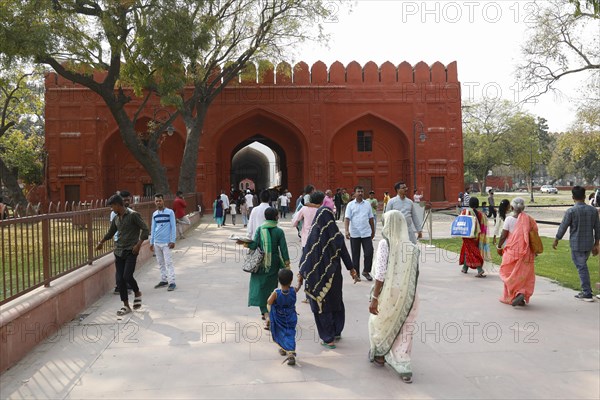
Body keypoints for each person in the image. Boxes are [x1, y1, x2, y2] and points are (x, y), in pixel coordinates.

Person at [368, 210, 419, 384]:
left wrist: (375, 297)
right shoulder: (412, 247)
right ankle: (403, 362)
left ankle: (381, 355)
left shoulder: (385, 244)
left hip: (390, 292)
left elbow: (380, 273)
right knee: (406, 327)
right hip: (409, 294)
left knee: (382, 322)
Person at [298, 206, 359, 349]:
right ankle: (337, 331)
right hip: (335, 276)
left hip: (317, 279)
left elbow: (306, 257)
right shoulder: (337, 236)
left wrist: (301, 276)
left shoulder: (313, 236)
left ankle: (328, 338)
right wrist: (352, 270)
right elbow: (345, 254)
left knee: (321, 304)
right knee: (336, 301)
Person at [96, 195, 149, 316]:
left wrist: (139, 244)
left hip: (131, 250)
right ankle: (126, 306)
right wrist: (101, 242)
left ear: (118, 205)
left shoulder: (133, 215)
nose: (111, 209)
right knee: (120, 281)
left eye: (112, 206)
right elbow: (111, 232)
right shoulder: (116, 218)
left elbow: (145, 229)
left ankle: (137, 292)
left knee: (127, 276)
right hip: (119, 251)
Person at [239, 207, 290, 329]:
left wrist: (243, 242)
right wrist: (287, 265)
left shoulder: (260, 229)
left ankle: (266, 315)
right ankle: (270, 315)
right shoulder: (279, 232)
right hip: (274, 263)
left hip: (261, 263)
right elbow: (283, 249)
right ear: (276, 217)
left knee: (261, 289)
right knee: (271, 289)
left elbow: (254, 245)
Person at [553, 186, 600, 302]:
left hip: (576, 243)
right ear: (584, 197)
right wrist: (596, 243)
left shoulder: (571, 211)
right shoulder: (593, 211)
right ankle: (586, 290)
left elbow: (563, 226)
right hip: (588, 243)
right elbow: (597, 228)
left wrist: (557, 239)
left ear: (573, 197)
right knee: (582, 265)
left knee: (581, 266)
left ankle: (587, 292)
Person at [497, 198, 537, 306]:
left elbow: (503, 235)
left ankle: (512, 295)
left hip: (512, 251)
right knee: (523, 275)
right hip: (526, 252)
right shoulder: (529, 219)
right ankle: (521, 293)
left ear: (512, 207)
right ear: (523, 207)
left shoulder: (509, 219)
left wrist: (499, 246)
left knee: (508, 274)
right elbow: (534, 237)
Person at [267, 269, 297, 366]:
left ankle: (290, 352)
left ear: (278, 280)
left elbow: (269, 302)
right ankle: (286, 349)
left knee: (281, 333)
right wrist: (300, 281)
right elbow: (298, 288)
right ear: (291, 280)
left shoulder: (277, 292)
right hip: (291, 316)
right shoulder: (293, 290)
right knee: (290, 333)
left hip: (279, 317)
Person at [344, 185, 375, 281]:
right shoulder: (350, 205)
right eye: (358, 191)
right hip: (355, 233)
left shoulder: (367, 204)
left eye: (362, 191)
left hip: (366, 232)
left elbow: (371, 218)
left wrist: (373, 231)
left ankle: (366, 271)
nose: (360, 193)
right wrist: (346, 230)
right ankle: (356, 273)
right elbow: (347, 218)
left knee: (369, 252)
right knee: (355, 254)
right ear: (354, 193)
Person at [150, 193, 177, 291]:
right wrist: (151, 242)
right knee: (160, 262)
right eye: (156, 201)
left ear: (163, 201)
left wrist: (173, 240)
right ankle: (163, 279)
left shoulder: (170, 212)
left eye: (160, 200)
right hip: (157, 242)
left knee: (168, 262)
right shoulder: (154, 214)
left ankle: (172, 282)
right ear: (155, 202)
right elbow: (153, 228)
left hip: (166, 243)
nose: (158, 202)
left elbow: (173, 227)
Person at [458, 197, 490, 277]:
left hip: (467, 235)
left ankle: (480, 269)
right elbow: (483, 226)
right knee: (467, 250)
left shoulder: (466, 211)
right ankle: (465, 268)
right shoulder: (480, 214)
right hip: (476, 236)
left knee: (471, 252)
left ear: (469, 204)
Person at [110, 190, 133, 295]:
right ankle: (119, 286)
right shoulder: (115, 213)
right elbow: (114, 228)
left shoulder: (130, 211)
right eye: (124, 200)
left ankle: (126, 285)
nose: (127, 202)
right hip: (119, 241)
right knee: (120, 265)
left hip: (129, 242)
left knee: (127, 265)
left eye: (128, 200)